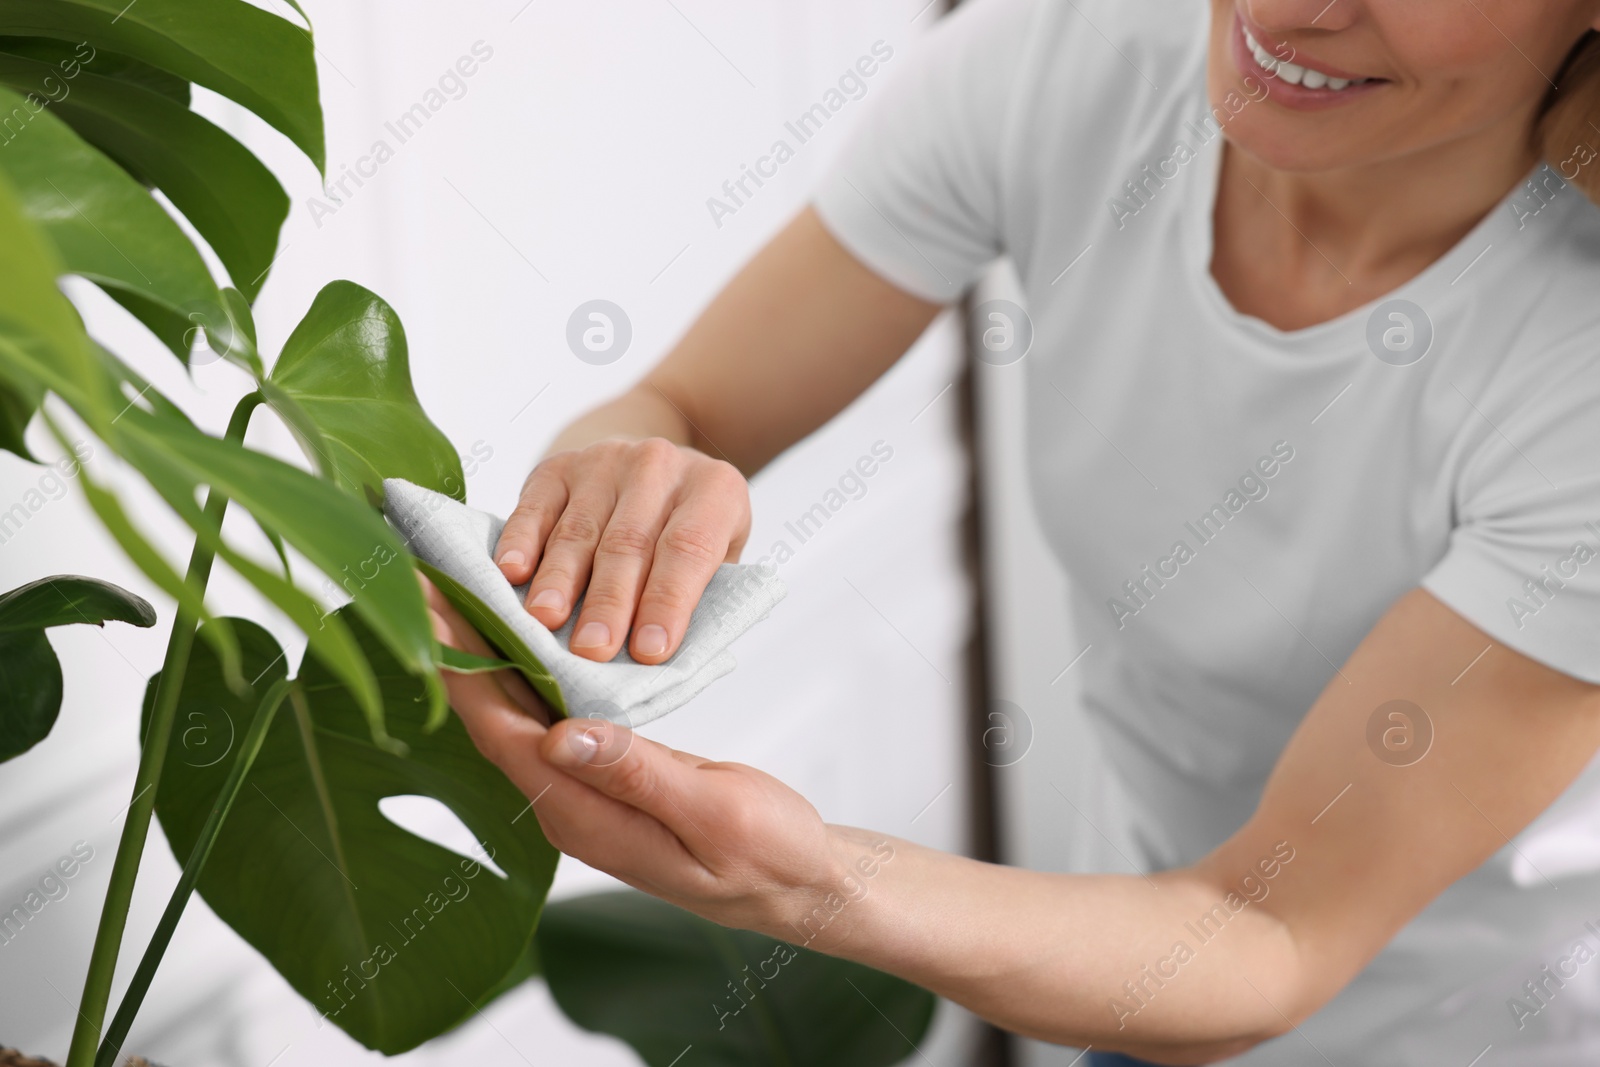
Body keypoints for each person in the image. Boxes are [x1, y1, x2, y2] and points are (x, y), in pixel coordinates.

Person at [427, 1, 1600, 1062]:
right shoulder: (1076, 51)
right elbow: (688, 407)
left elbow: (1271, 931)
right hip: (1134, 961)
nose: (1292, 8)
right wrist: (618, 488)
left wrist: (816, 883)